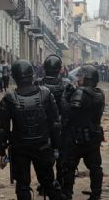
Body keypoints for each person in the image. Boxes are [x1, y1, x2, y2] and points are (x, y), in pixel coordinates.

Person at [0, 60, 61, 200]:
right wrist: (55, 147)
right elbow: (55, 124)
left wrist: (2, 150)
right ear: (32, 75)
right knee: (49, 183)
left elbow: (3, 130)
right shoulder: (46, 94)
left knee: (23, 185)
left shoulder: (9, 98)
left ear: (14, 77)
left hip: (20, 147)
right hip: (42, 145)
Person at [61, 65, 105, 200]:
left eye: (80, 77)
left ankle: (67, 194)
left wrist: (64, 97)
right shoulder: (99, 93)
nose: (78, 79)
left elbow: (68, 112)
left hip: (78, 138)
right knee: (95, 167)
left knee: (68, 167)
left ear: (86, 78)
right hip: (94, 136)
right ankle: (96, 194)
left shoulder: (81, 93)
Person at [35, 55, 74, 194]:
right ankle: (59, 182)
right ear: (60, 69)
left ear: (45, 68)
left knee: (44, 156)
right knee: (62, 156)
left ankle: (45, 184)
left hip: (42, 126)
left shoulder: (38, 84)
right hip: (62, 125)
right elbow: (71, 107)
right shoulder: (67, 84)